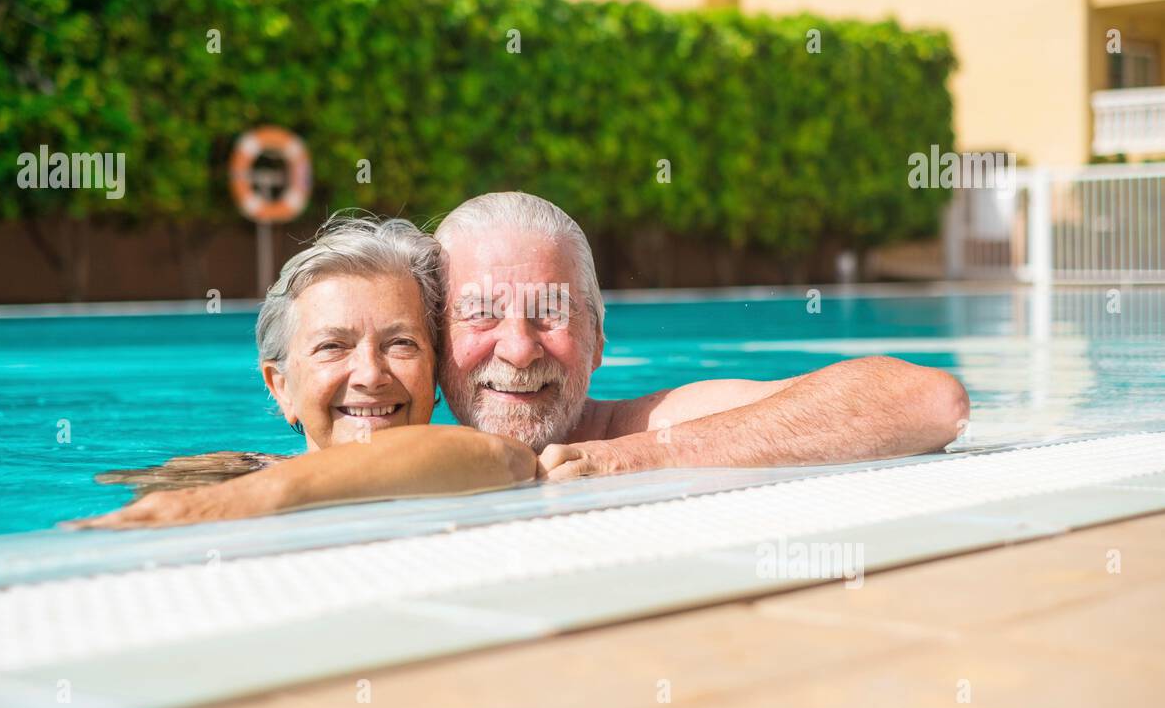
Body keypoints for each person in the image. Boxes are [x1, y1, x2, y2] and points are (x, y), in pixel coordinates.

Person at [432, 192, 970, 480]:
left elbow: (930, 403)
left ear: (597, 339)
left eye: (551, 313)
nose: (520, 349)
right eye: (480, 314)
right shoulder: (393, 441)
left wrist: (640, 456)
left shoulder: (647, 428)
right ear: (433, 341)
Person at [69, 216, 536, 529]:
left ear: (435, 373)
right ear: (281, 387)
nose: (370, 375)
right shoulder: (216, 475)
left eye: (400, 344)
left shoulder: (489, 457)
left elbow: (502, 459)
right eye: (333, 346)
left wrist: (261, 497)